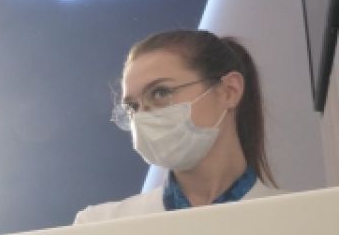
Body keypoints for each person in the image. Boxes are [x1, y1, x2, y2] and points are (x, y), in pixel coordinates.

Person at [75, 29, 280, 224]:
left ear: (229, 91)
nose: (142, 117)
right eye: (132, 106)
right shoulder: (99, 224)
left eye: (160, 93)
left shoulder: (294, 218)